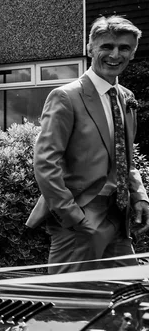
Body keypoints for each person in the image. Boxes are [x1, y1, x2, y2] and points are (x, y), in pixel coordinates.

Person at [26, 15, 149, 272]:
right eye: (107, 46)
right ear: (90, 49)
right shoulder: (66, 96)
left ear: (133, 52)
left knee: (126, 298)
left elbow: (125, 157)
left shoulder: (127, 97)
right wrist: (72, 216)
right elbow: (46, 163)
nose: (115, 54)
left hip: (120, 216)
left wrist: (140, 196)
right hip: (81, 219)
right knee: (73, 303)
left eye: (124, 48)